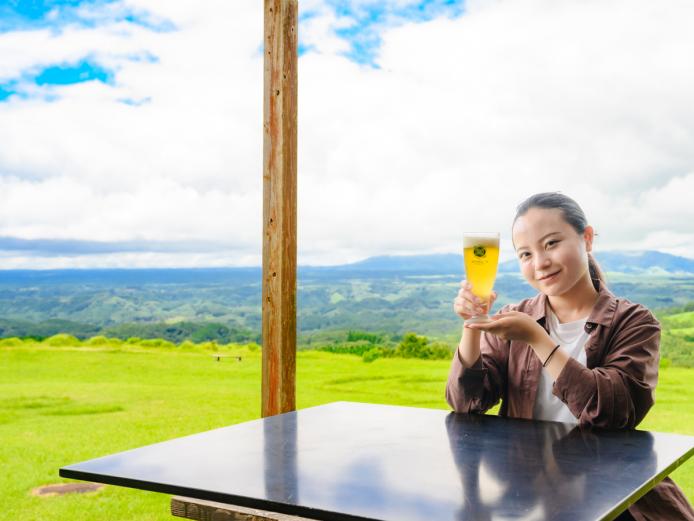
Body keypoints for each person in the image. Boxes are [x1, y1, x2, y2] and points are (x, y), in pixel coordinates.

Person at [446, 192, 694, 520]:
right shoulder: (515, 316)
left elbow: (612, 412)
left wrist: (537, 338)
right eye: (525, 254)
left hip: (616, 499)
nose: (540, 262)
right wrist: (472, 325)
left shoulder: (634, 322)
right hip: (531, 499)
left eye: (551, 243)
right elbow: (466, 403)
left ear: (586, 238)